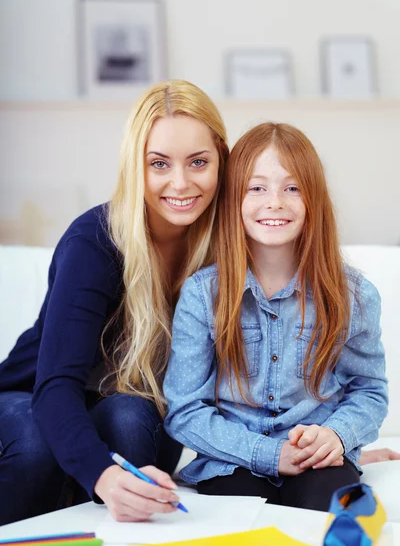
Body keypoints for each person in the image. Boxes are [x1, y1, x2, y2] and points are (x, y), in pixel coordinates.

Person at [0, 79, 229, 526]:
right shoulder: (95, 241)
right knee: (32, 441)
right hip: (36, 395)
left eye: (198, 162)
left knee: (129, 419)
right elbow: (55, 386)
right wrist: (101, 474)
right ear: (135, 166)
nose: (180, 183)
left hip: (131, 404)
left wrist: (328, 444)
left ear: (222, 159)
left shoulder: (227, 247)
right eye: (159, 164)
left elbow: (251, 377)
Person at [164, 122, 389, 511]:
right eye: (257, 188)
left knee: (349, 515)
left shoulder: (354, 295)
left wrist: (337, 434)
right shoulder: (203, 295)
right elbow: (185, 411)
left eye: (292, 188)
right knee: (244, 522)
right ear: (234, 199)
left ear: (313, 199)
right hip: (232, 460)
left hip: (320, 457)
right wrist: (269, 454)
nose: (275, 202)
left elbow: (369, 392)